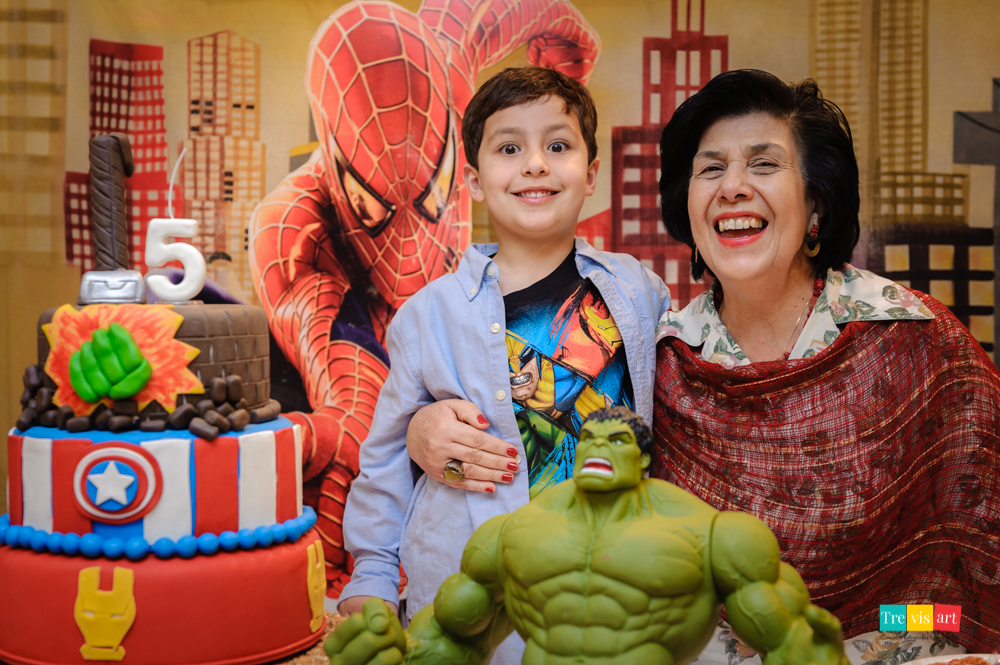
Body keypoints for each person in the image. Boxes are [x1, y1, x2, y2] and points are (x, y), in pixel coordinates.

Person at [404, 70, 1000, 656]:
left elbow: (969, 573)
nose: (733, 187)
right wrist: (423, 430)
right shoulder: (662, 356)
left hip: (898, 633)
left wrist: (870, 636)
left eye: (764, 164)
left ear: (815, 200)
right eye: (711, 168)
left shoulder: (915, 341)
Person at [336, 66, 671, 665]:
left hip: (616, 595)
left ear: (591, 175)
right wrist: (372, 580)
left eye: (558, 146)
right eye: (510, 147)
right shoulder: (427, 316)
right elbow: (384, 460)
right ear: (475, 181)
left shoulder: (641, 291)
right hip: (469, 603)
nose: (535, 164)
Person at [326, 408, 848, 665]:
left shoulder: (710, 532)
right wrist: (396, 653)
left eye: (615, 440)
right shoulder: (515, 532)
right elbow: (457, 636)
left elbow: (788, 642)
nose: (598, 447)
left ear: (641, 458)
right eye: (590, 439)